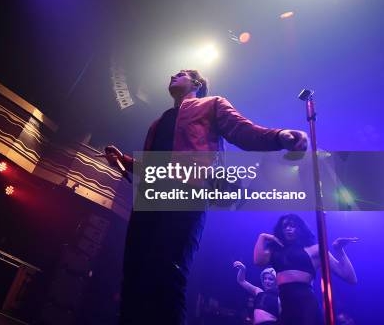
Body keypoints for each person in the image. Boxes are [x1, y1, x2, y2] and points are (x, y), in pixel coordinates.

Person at [104, 69, 307, 324]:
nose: (172, 75)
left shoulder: (212, 104)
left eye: (181, 73)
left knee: (168, 272)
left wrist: (278, 137)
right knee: (134, 273)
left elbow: (243, 131)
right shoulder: (158, 123)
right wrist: (123, 161)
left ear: (197, 83)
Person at [254, 214, 358, 325]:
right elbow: (258, 261)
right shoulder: (275, 251)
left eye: (292, 225)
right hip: (285, 306)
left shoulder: (314, 250)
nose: (288, 228)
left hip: (307, 305)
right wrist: (262, 237)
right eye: (285, 226)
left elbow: (350, 278)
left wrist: (339, 250)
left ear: (300, 228)